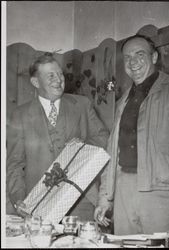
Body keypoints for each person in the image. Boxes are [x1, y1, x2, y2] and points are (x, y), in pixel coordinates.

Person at [94, 34, 169, 234]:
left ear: (154, 57)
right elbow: (112, 152)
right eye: (128, 57)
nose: (133, 62)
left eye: (140, 54)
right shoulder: (122, 101)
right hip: (123, 191)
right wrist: (105, 196)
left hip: (162, 192)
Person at [6, 52, 109, 220]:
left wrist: (81, 146)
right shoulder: (20, 114)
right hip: (40, 203)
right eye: (50, 76)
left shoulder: (82, 104)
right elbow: (14, 164)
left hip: (82, 199)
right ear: (35, 82)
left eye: (60, 74)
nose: (59, 80)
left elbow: (103, 138)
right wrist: (19, 199)